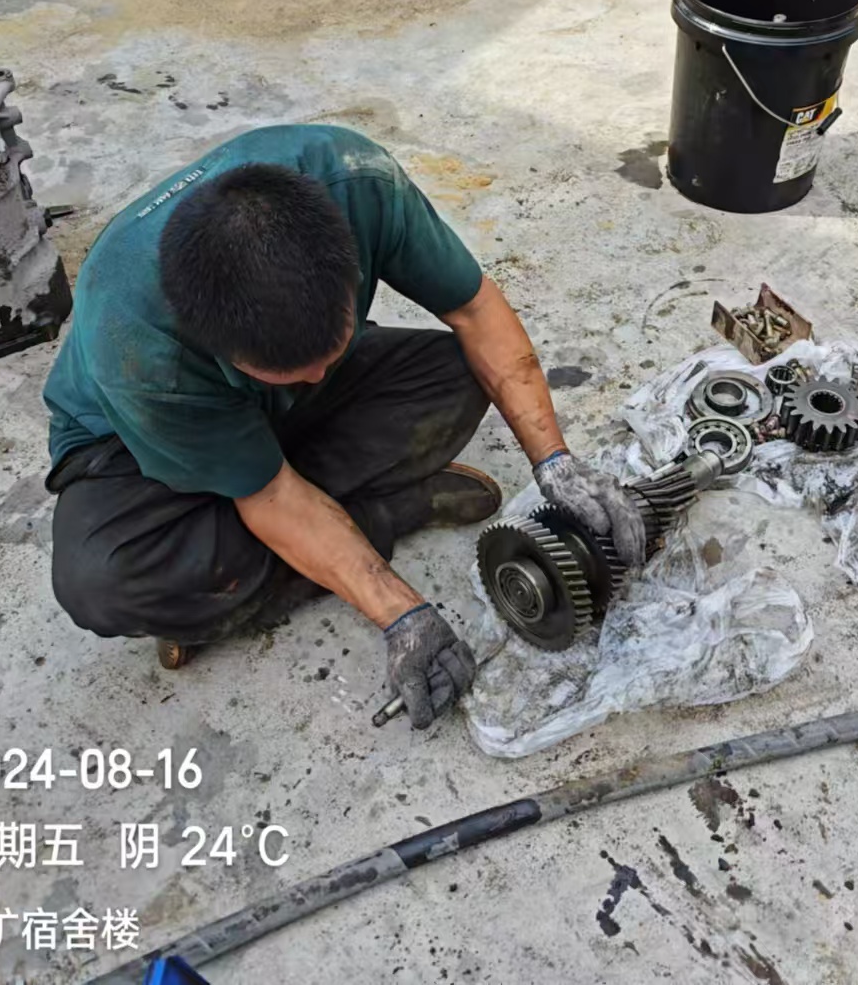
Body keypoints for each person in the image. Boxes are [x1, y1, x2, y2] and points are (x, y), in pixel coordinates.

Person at [42, 125, 644, 730]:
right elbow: (269, 495)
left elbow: (474, 309)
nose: (316, 378)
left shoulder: (358, 181)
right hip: (135, 442)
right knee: (103, 583)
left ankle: (281, 545)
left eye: (329, 354)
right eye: (289, 373)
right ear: (216, 350)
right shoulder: (139, 346)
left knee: (466, 373)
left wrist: (555, 462)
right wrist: (403, 614)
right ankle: (386, 514)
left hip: (267, 415)